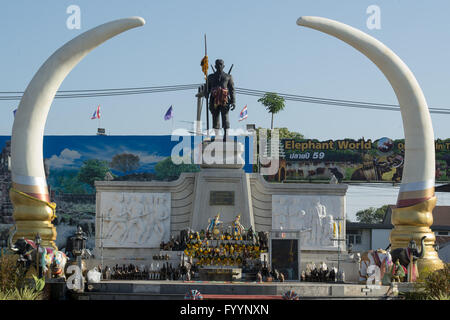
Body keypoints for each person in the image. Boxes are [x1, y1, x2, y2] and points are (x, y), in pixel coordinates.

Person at [205, 59, 236, 139]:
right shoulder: (210, 77)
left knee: (225, 116)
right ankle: (217, 135)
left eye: (221, 64)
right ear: (215, 66)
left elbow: (232, 89)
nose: (219, 66)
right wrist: (206, 93)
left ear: (223, 66)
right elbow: (207, 88)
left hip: (224, 99)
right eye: (217, 64)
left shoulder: (228, 77)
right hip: (213, 99)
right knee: (215, 117)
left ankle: (226, 134)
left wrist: (233, 101)